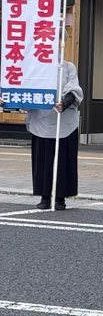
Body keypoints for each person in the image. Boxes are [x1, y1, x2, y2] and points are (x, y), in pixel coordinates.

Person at [0, 61, 83, 210]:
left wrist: (65, 102)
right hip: (41, 119)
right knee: (42, 160)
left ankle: (60, 197)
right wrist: (7, 100)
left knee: (63, 160)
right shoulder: (34, 65)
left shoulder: (68, 67)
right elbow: (22, 88)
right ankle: (44, 196)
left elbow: (73, 88)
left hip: (63, 120)